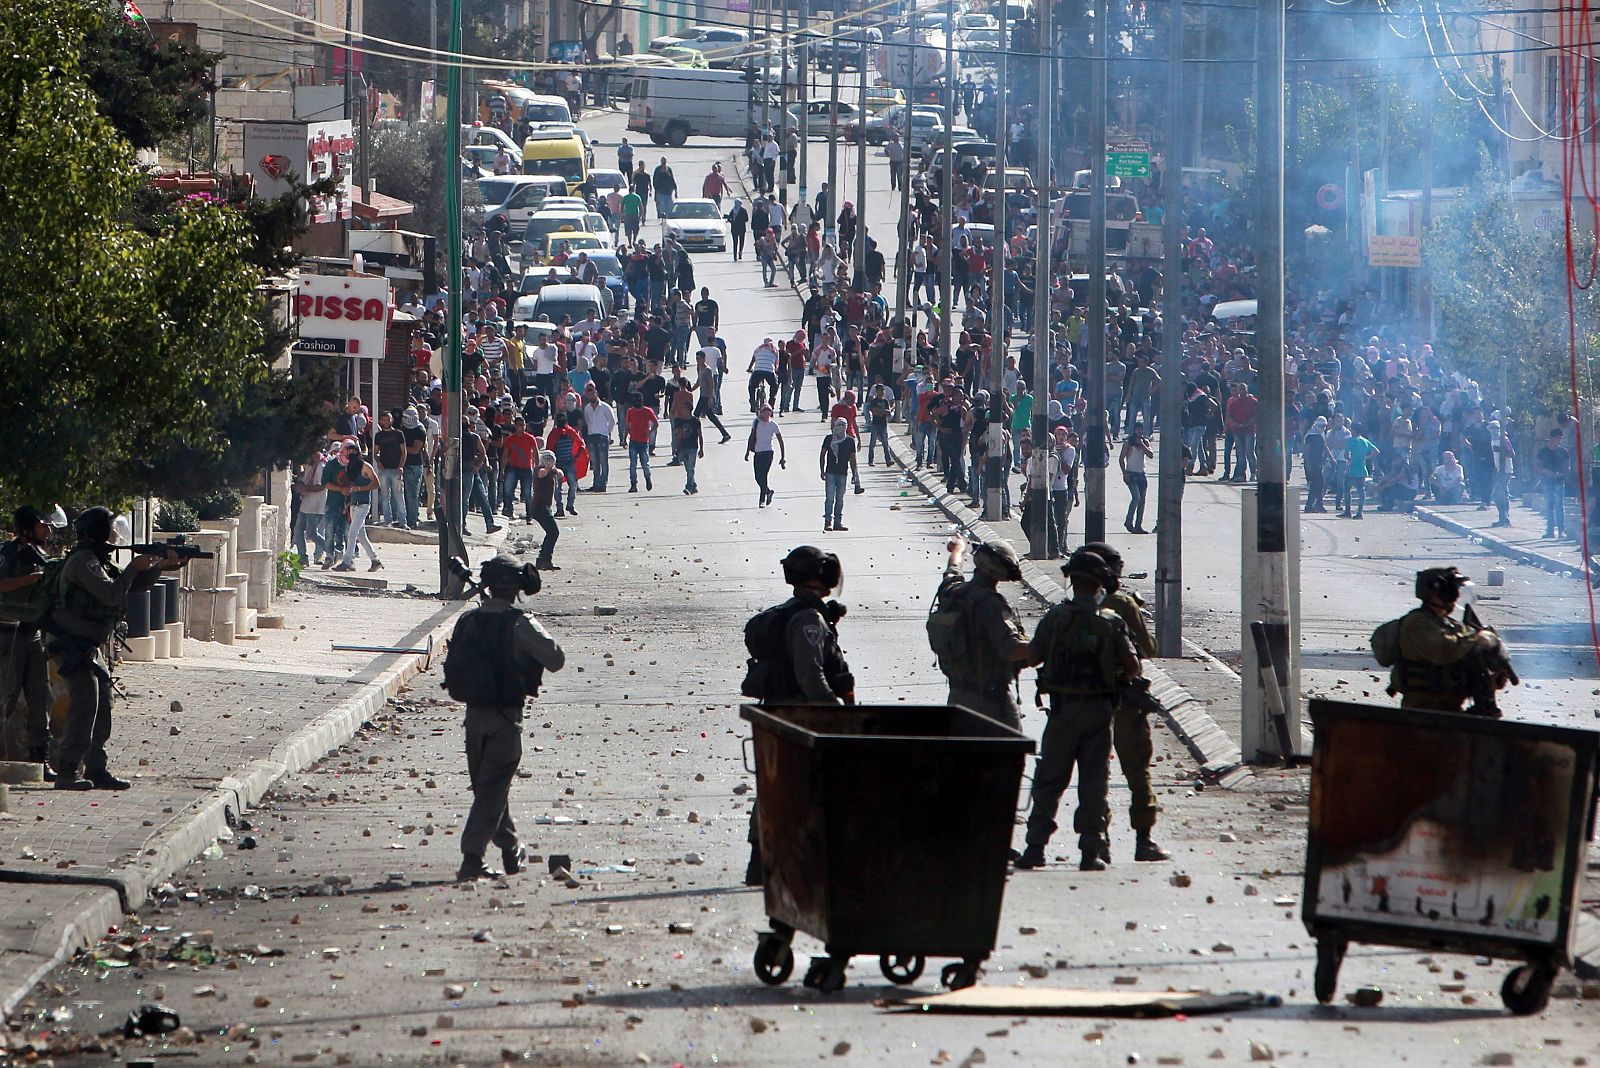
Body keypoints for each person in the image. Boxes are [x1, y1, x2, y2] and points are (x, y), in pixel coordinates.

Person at [1015, 548, 1141, 871]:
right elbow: (1132, 666)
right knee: (1094, 783)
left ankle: (1034, 848)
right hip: (1099, 713)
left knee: (1049, 781)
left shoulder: (1056, 618)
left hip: (1062, 712)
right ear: (1101, 585)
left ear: (1072, 580)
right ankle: (1091, 852)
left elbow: (1032, 657)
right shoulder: (1112, 624)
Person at [47, 508, 185, 790]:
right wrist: (135, 566)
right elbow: (111, 594)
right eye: (110, 529)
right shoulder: (83, 561)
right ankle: (68, 770)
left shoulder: (98, 560)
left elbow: (129, 587)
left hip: (86, 644)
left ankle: (96, 769)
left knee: (102, 707)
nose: (115, 534)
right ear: (97, 531)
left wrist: (160, 565)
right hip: (69, 643)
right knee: (85, 705)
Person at [446, 555, 565, 880]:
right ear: (516, 590)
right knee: (492, 789)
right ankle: (472, 857)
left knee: (489, 790)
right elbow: (556, 659)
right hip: (505, 719)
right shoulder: (518, 623)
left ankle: (511, 852)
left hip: (473, 719)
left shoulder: (468, 621)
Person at [742, 546, 855, 884]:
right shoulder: (808, 619)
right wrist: (837, 715)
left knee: (775, 788)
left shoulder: (802, 612)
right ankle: (773, 863)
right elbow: (811, 677)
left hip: (781, 713)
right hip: (798, 717)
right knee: (795, 790)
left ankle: (765, 863)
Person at [1082, 541, 1169, 864]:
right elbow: (1148, 648)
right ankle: (1143, 841)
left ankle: (1098, 839)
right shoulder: (1122, 604)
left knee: (1096, 771)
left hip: (1089, 702)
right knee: (1137, 770)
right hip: (1126, 701)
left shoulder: (1074, 605)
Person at [1377, 567, 1516, 715]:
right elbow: (1445, 650)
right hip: (1422, 712)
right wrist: (1479, 638)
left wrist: (1491, 680)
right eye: (1452, 590)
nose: (1456, 596)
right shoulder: (1417, 623)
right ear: (1435, 592)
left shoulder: (1450, 625)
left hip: (1450, 710)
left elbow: (1462, 661)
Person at [929, 539, 1035, 729]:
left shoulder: (953, 593)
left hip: (958, 697)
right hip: (991, 701)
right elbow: (1011, 649)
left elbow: (952, 570)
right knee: (1011, 754)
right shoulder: (992, 605)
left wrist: (957, 550)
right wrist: (1049, 643)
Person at [0, 506, 59, 778]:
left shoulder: (41, 556)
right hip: (7, 632)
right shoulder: (9, 554)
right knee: (5, 697)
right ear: (27, 527)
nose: (47, 531)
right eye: (42, 525)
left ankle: (40, 760)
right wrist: (32, 579)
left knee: (40, 697)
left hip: (32, 633)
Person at [334, 443, 383, 572]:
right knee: (361, 536)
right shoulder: (350, 468)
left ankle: (347, 561)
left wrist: (360, 488)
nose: (350, 455)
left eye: (352, 452)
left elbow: (376, 484)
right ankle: (375, 560)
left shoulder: (366, 467)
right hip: (353, 503)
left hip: (363, 504)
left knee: (351, 533)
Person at [819, 417, 860, 532]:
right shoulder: (829, 439)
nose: (840, 428)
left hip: (843, 473)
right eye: (839, 425)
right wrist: (822, 471)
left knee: (840, 499)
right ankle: (828, 522)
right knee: (829, 498)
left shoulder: (850, 441)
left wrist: (854, 474)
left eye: (843, 426)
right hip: (831, 472)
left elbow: (853, 459)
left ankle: (838, 522)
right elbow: (822, 455)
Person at [746, 404, 786, 507]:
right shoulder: (756, 422)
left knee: (763, 475)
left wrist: (783, 457)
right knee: (757, 477)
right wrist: (747, 452)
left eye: (769, 411)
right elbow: (751, 437)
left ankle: (762, 500)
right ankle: (768, 492)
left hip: (768, 452)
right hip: (758, 452)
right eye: (765, 411)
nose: (767, 413)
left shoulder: (773, 425)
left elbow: (781, 441)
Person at [530, 450, 564, 569]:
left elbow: (561, 474)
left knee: (552, 532)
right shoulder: (538, 470)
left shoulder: (552, 472)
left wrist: (554, 468)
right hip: (539, 507)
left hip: (546, 507)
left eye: (551, 460)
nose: (549, 462)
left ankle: (543, 559)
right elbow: (541, 473)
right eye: (547, 460)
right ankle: (544, 559)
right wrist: (548, 468)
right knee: (553, 532)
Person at [1120, 424, 1153, 534]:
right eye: (1138, 429)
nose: (1139, 431)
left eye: (1141, 430)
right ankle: (1129, 521)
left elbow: (1150, 455)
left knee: (1142, 501)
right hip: (1131, 474)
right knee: (1136, 498)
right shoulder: (1128, 443)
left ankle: (1138, 525)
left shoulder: (1145, 442)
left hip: (1141, 474)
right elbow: (1121, 459)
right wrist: (1124, 473)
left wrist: (1142, 445)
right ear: (1134, 430)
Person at [1537, 427, 1570, 538]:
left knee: (1559, 507)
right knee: (1549, 507)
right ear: (1551, 438)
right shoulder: (1543, 452)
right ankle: (1550, 531)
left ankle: (1561, 530)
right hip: (1547, 482)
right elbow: (1538, 467)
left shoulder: (1564, 452)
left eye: (1561, 438)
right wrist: (1546, 471)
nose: (1559, 440)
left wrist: (1562, 474)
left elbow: (1567, 467)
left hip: (1559, 482)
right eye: (1557, 438)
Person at [1342, 429, 1378, 520]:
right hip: (1362, 469)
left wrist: (1350, 459)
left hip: (1351, 469)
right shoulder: (1365, 441)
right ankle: (1359, 512)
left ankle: (1348, 511)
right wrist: (1365, 458)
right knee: (1361, 491)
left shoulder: (1351, 441)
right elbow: (1376, 452)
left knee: (1347, 490)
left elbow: (1346, 455)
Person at [626, 392, 657, 492]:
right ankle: (639, 481)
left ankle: (639, 482)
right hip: (639, 440)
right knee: (642, 464)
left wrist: (624, 438)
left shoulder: (633, 411)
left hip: (638, 441)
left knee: (636, 464)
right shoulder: (645, 411)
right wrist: (650, 432)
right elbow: (656, 423)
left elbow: (627, 426)